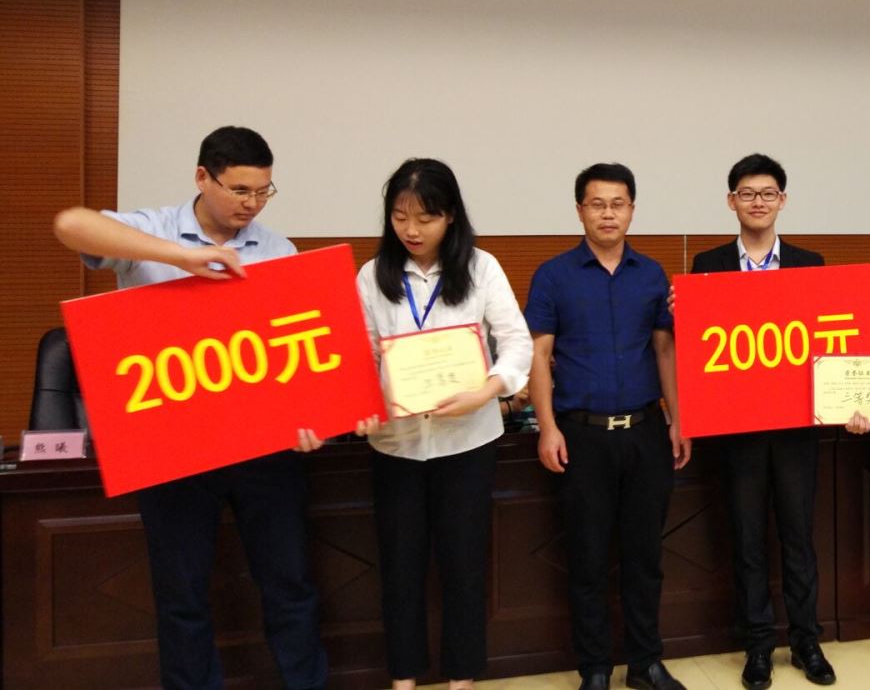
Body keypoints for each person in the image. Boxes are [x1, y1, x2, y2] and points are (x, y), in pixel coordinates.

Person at [52, 126, 335, 690]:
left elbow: (295, 354)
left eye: (263, 191)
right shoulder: (152, 230)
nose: (251, 205)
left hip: (262, 447)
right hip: (173, 449)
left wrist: (311, 419)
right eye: (239, 190)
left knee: (289, 586)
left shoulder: (277, 250)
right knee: (181, 596)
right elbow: (70, 224)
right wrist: (182, 257)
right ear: (203, 177)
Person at [356, 159, 533, 690]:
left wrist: (487, 390)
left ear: (451, 215)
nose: (411, 230)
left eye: (425, 218)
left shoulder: (481, 268)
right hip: (396, 445)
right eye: (400, 217)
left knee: (464, 566)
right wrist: (359, 404)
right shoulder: (372, 275)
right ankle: (404, 679)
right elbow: (359, 356)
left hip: (468, 442)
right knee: (400, 569)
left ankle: (462, 678)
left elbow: (517, 342)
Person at [524, 163, 691, 690]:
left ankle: (645, 663)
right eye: (597, 204)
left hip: (645, 431)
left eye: (618, 204)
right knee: (588, 558)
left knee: (645, 557)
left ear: (632, 210)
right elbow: (539, 354)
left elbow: (665, 350)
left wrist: (678, 418)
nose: (608, 214)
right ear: (580, 210)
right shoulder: (553, 275)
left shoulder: (652, 274)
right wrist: (547, 427)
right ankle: (594, 668)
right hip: (582, 436)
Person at [690, 153, 844, 689]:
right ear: (731, 201)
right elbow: (699, 350)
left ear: (783, 200)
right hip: (738, 429)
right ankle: (757, 645)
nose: (758, 202)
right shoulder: (707, 266)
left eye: (768, 193)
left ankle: (806, 641)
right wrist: (684, 314)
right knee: (747, 538)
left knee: (799, 537)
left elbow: (831, 339)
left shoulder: (810, 263)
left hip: (797, 425)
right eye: (748, 193)